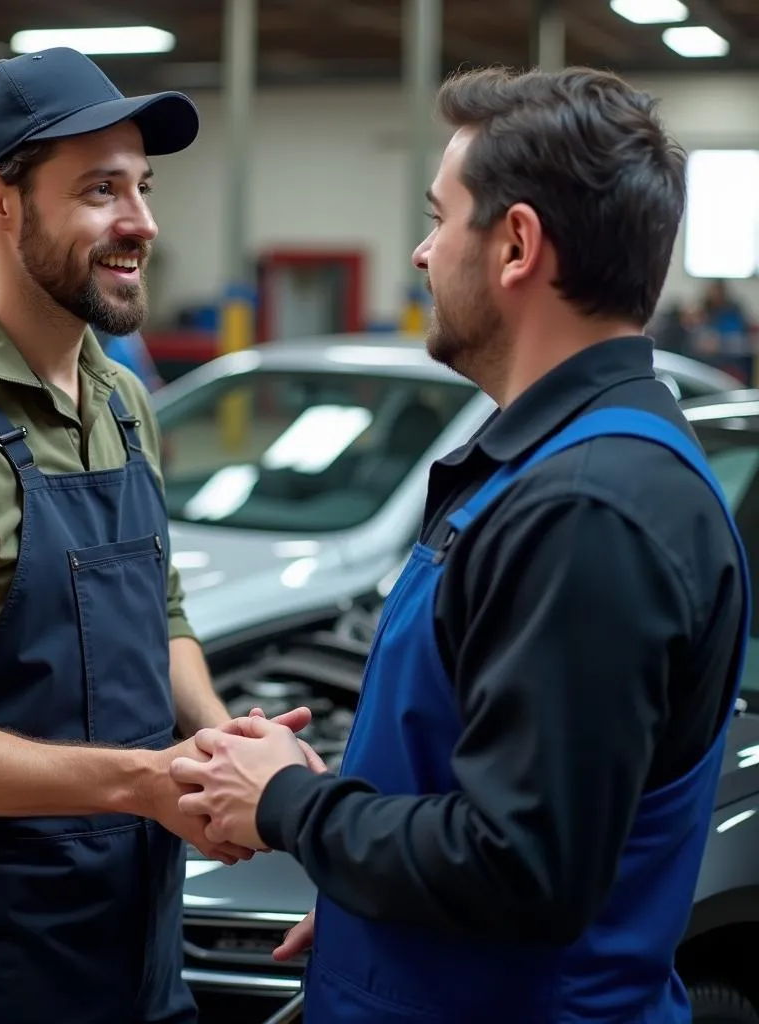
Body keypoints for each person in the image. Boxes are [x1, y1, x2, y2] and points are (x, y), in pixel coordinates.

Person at [171, 65, 751, 1023]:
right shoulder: (550, 466)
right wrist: (368, 888)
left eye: (440, 218)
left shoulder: (590, 510)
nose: (420, 251)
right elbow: (492, 780)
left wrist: (289, 806)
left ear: (517, 243)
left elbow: (523, 869)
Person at [0, 47, 311, 1024]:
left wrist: (214, 740)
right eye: (100, 190)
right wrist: (144, 783)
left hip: (134, 933)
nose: (142, 223)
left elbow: (158, 611)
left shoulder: (122, 401)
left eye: (144, 188)